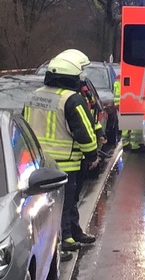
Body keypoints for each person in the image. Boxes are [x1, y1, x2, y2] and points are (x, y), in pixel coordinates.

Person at [23, 51, 99, 251]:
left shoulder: (33, 96)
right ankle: (65, 238)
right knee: (66, 201)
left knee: (47, 205)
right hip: (67, 162)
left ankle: (73, 232)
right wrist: (92, 155)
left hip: (38, 163)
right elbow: (84, 131)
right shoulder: (71, 99)